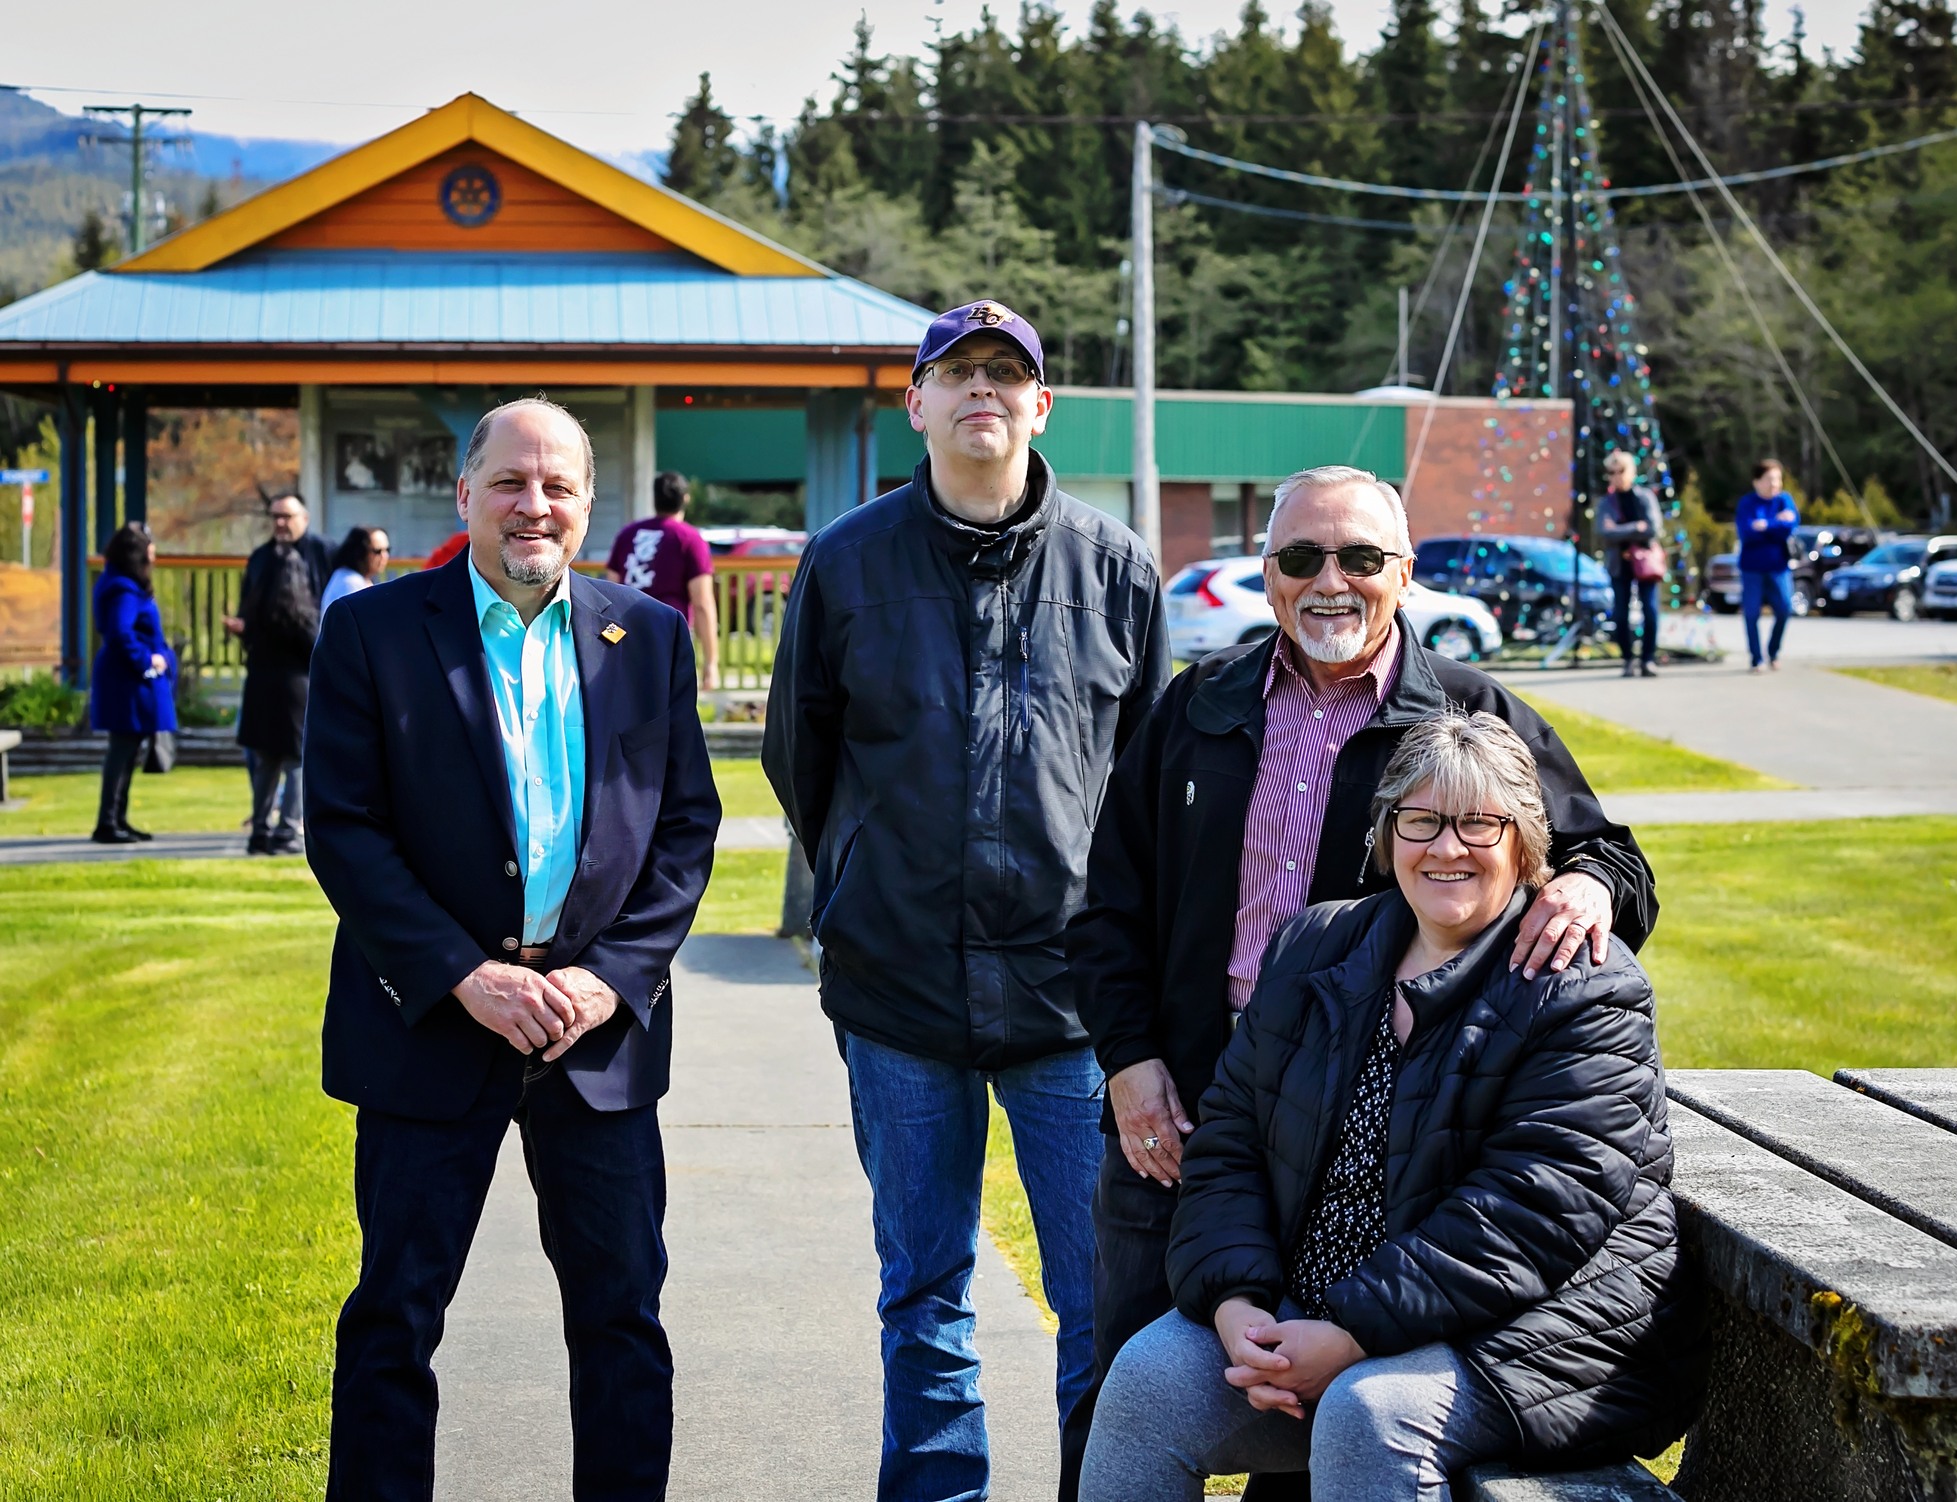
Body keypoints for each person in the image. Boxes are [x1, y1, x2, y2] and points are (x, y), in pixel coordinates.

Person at [1066, 465, 1657, 1499]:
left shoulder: (1465, 715)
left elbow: (1602, 855)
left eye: (1358, 557)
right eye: (1299, 557)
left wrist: (1590, 889)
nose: (1327, 580)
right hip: (1193, 1111)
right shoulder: (1197, 705)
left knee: (1312, 1434)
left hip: (1370, 1121)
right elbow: (1108, 902)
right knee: (1135, 1377)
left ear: (1403, 571)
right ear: (1268, 573)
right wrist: (1127, 1058)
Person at [1081, 710, 1704, 1501]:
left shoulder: (1583, 982)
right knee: (1147, 1379)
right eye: (1421, 821)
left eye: (1480, 822)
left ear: (1525, 841)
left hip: (1534, 1334)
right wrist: (1235, 1304)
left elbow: (1532, 1211)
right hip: (1317, 1308)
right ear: (1387, 835)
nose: (1447, 848)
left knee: (1368, 1412)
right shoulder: (1315, 944)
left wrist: (1347, 1335)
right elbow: (1231, 1140)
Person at [763, 300, 1172, 1502]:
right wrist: (859, 880)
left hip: (1071, 1006)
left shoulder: (1114, 567)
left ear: (1041, 405)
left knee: (1103, 1292)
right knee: (923, 1285)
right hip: (897, 995)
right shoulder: (845, 561)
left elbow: (1148, 787)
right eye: (957, 372)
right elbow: (803, 756)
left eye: (1007, 372)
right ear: (917, 403)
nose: (981, 389)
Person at [303, 396, 721, 1502]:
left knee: (622, 1314)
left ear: (588, 503)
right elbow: (344, 827)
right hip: (432, 1026)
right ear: (465, 495)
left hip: (594, 1040)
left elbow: (683, 827)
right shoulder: (374, 632)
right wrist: (461, 973)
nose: (533, 505)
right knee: (395, 1312)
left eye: (557, 486)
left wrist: (609, 977)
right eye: (509, 483)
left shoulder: (649, 637)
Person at [224, 494, 331, 855]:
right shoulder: (264, 558)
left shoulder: (322, 553)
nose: (280, 524)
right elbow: (308, 633)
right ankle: (285, 831)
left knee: (268, 759)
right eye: (275, 517)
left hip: (265, 675)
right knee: (294, 758)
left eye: (286, 516)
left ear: (304, 516)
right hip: (292, 678)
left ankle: (261, 832)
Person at [88, 521, 177, 844]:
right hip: (127, 682)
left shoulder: (118, 582)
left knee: (127, 751)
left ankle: (118, 818)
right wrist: (148, 659)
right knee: (121, 750)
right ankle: (108, 821)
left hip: (128, 680)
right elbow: (120, 633)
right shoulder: (123, 589)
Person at [605, 471, 719, 692]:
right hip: (668, 634)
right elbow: (702, 602)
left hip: (624, 634)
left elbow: (609, 592)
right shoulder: (690, 538)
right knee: (668, 709)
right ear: (686, 499)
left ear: (654, 498)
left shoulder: (628, 533)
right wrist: (711, 663)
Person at [1596, 452, 1664, 678]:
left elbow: (1654, 528)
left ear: (1632, 472)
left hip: (1645, 563)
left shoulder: (1644, 497)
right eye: (1612, 472)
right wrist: (1637, 527)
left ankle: (1648, 659)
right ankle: (1627, 659)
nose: (1617, 476)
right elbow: (1605, 532)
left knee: (1651, 611)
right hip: (1619, 564)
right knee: (1620, 614)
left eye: (1621, 471)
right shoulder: (1606, 502)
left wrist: (1620, 530)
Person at [1735, 458, 1799, 673]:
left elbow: (1789, 527)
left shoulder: (1784, 500)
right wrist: (1775, 525)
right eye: (1770, 480)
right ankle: (1756, 658)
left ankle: (1773, 651)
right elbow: (1747, 533)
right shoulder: (1747, 504)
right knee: (1751, 613)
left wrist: (1766, 525)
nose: (1775, 484)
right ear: (1757, 482)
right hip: (1752, 568)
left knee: (1784, 609)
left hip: (1778, 566)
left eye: (1778, 480)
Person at [319, 526, 390, 621]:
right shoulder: (350, 583)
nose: (384, 556)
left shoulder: (355, 578)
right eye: (377, 551)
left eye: (387, 550)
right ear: (359, 552)